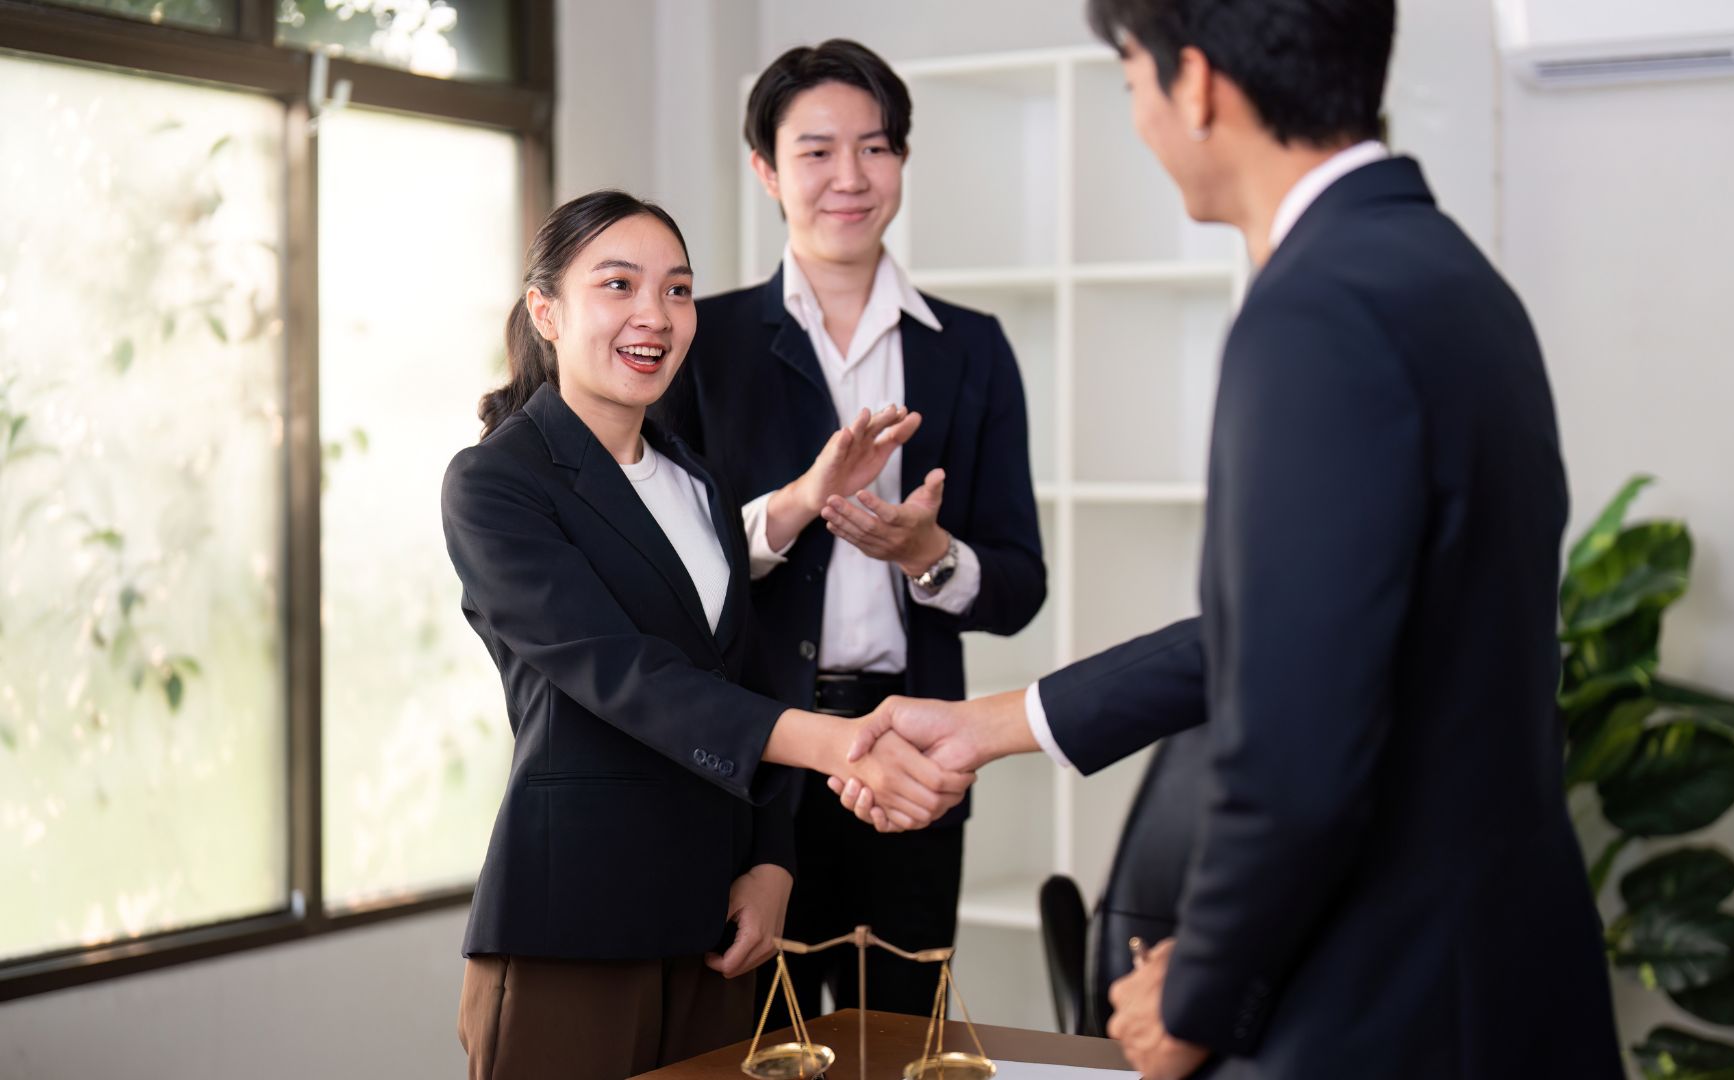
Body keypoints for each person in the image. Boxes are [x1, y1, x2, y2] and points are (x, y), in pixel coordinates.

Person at [829, 1, 1625, 1076]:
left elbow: (1298, 745)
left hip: (1385, 1003)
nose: (1140, 119)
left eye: (1131, 83)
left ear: (1195, 84)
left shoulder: (1315, 313)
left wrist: (1201, 992)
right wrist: (992, 723)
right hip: (1497, 972)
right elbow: (1300, 635)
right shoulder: (1451, 278)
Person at [440, 189, 972, 1080]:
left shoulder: (695, 481)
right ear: (547, 310)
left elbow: (749, 674)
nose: (654, 315)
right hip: (575, 911)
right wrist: (840, 742)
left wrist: (771, 863)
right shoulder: (496, 483)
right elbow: (624, 675)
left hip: (719, 921)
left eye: (678, 290)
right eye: (619, 285)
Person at [657, 40, 1046, 1021]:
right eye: (816, 151)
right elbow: (667, 575)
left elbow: (1017, 585)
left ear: (902, 165)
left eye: (874, 149)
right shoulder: (706, 344)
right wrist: (794, 505)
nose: (849, 178)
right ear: (765, 170)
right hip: (758, 747)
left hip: (917, 748)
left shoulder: (972, 350)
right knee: (755, 1036)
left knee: (907, 1029)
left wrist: (931, 558)